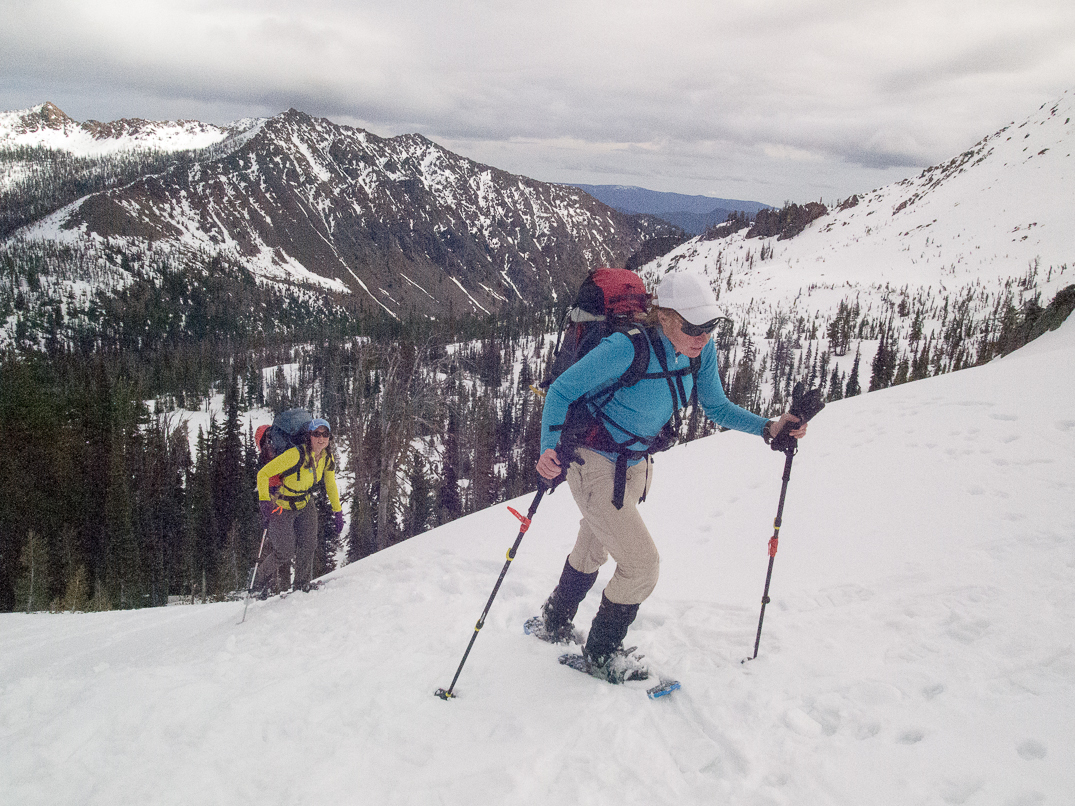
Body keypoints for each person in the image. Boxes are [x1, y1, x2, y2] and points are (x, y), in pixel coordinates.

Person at [534, 271, 808, 680]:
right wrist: (547, 449)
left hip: (634, 466)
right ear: (664, 317)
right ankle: (601, 655)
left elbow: (716, 406)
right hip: (593, 464)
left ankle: (554, 619)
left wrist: (768, 428)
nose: (703, 337)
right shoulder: (625, 348)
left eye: (710, 326)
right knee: (641, 566)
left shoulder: (700, 351)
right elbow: (560, 391)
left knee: (594, 547)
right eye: (693, 327)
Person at [255, 418, 345, 594]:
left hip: (304, 502)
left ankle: (301, 585)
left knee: (309, 545)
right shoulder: (295, 455)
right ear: (309, 436)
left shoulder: (327, 457)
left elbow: (330, 484)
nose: (321, 438)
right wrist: (265, 501)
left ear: (329, 437)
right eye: (316, 434)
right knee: (284, 551)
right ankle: (258, 581)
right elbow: (263, 474)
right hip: (281, 504)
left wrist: (338, 511)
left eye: (325, 434)